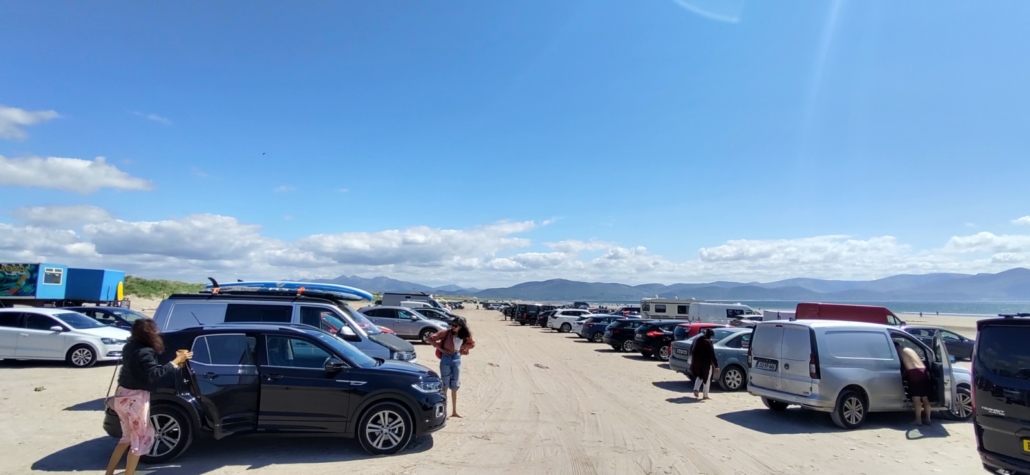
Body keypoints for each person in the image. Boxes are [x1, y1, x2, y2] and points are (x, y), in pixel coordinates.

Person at [105, 319, 192, 475]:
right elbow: (154, 374)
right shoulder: (145, 351)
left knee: (126, 438)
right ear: (150, 333)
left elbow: (140, 370)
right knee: (139, 441)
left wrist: (175, 362)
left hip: (122, 396)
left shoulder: (129, 347)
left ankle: (109, 473)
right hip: (136, 400)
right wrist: (176, 361)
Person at [429, 317, 476, 418]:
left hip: (457, 358)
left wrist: (463, 348)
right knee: (445, 385)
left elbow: (472, 344)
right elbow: (431, 338)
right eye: (452, 325)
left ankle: (454, 411)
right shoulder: (446, 333)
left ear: (461, 326)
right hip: (446, 358)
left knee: (455, 385)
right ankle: (444, 412)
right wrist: (440, 348)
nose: (452, 327)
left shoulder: (465, 335)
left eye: (455, 326)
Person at [895, 341, 932, 425]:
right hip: (923, 370)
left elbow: (899, 364)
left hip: (914, 372)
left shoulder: (896, 350)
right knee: (925, 397)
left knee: (916, 398)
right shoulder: (908, 349)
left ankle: (918, 421)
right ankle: (928, 419)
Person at [690, 328, 719, 401]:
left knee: (699, 375)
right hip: (706, 363)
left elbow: (692, 350)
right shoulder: (708, 342)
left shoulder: (698, 339)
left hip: (696, 362)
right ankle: (705, 395)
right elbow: (712, 354)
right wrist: (716, 365)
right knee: (707, 378)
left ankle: (696, 389)